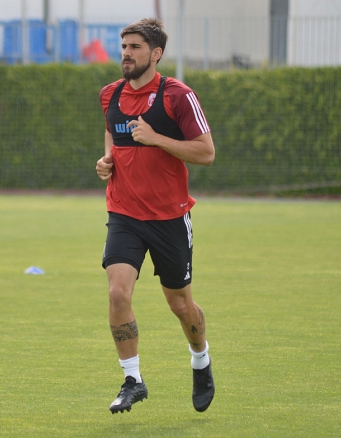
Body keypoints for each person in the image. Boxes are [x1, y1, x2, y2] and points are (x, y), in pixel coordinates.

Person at [95, 18, 216, 414]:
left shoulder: (176, 95)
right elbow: (113, 133)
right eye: (124, 46)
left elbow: (206, 153)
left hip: (168, 218)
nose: (126, 53)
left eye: (135, 47)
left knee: (181, 306)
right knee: (117, 292)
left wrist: (157, 138)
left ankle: (200, 359)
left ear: (156, 53)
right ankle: (133, 379)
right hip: (124, 212)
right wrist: (107, 161)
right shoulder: (109, 95)